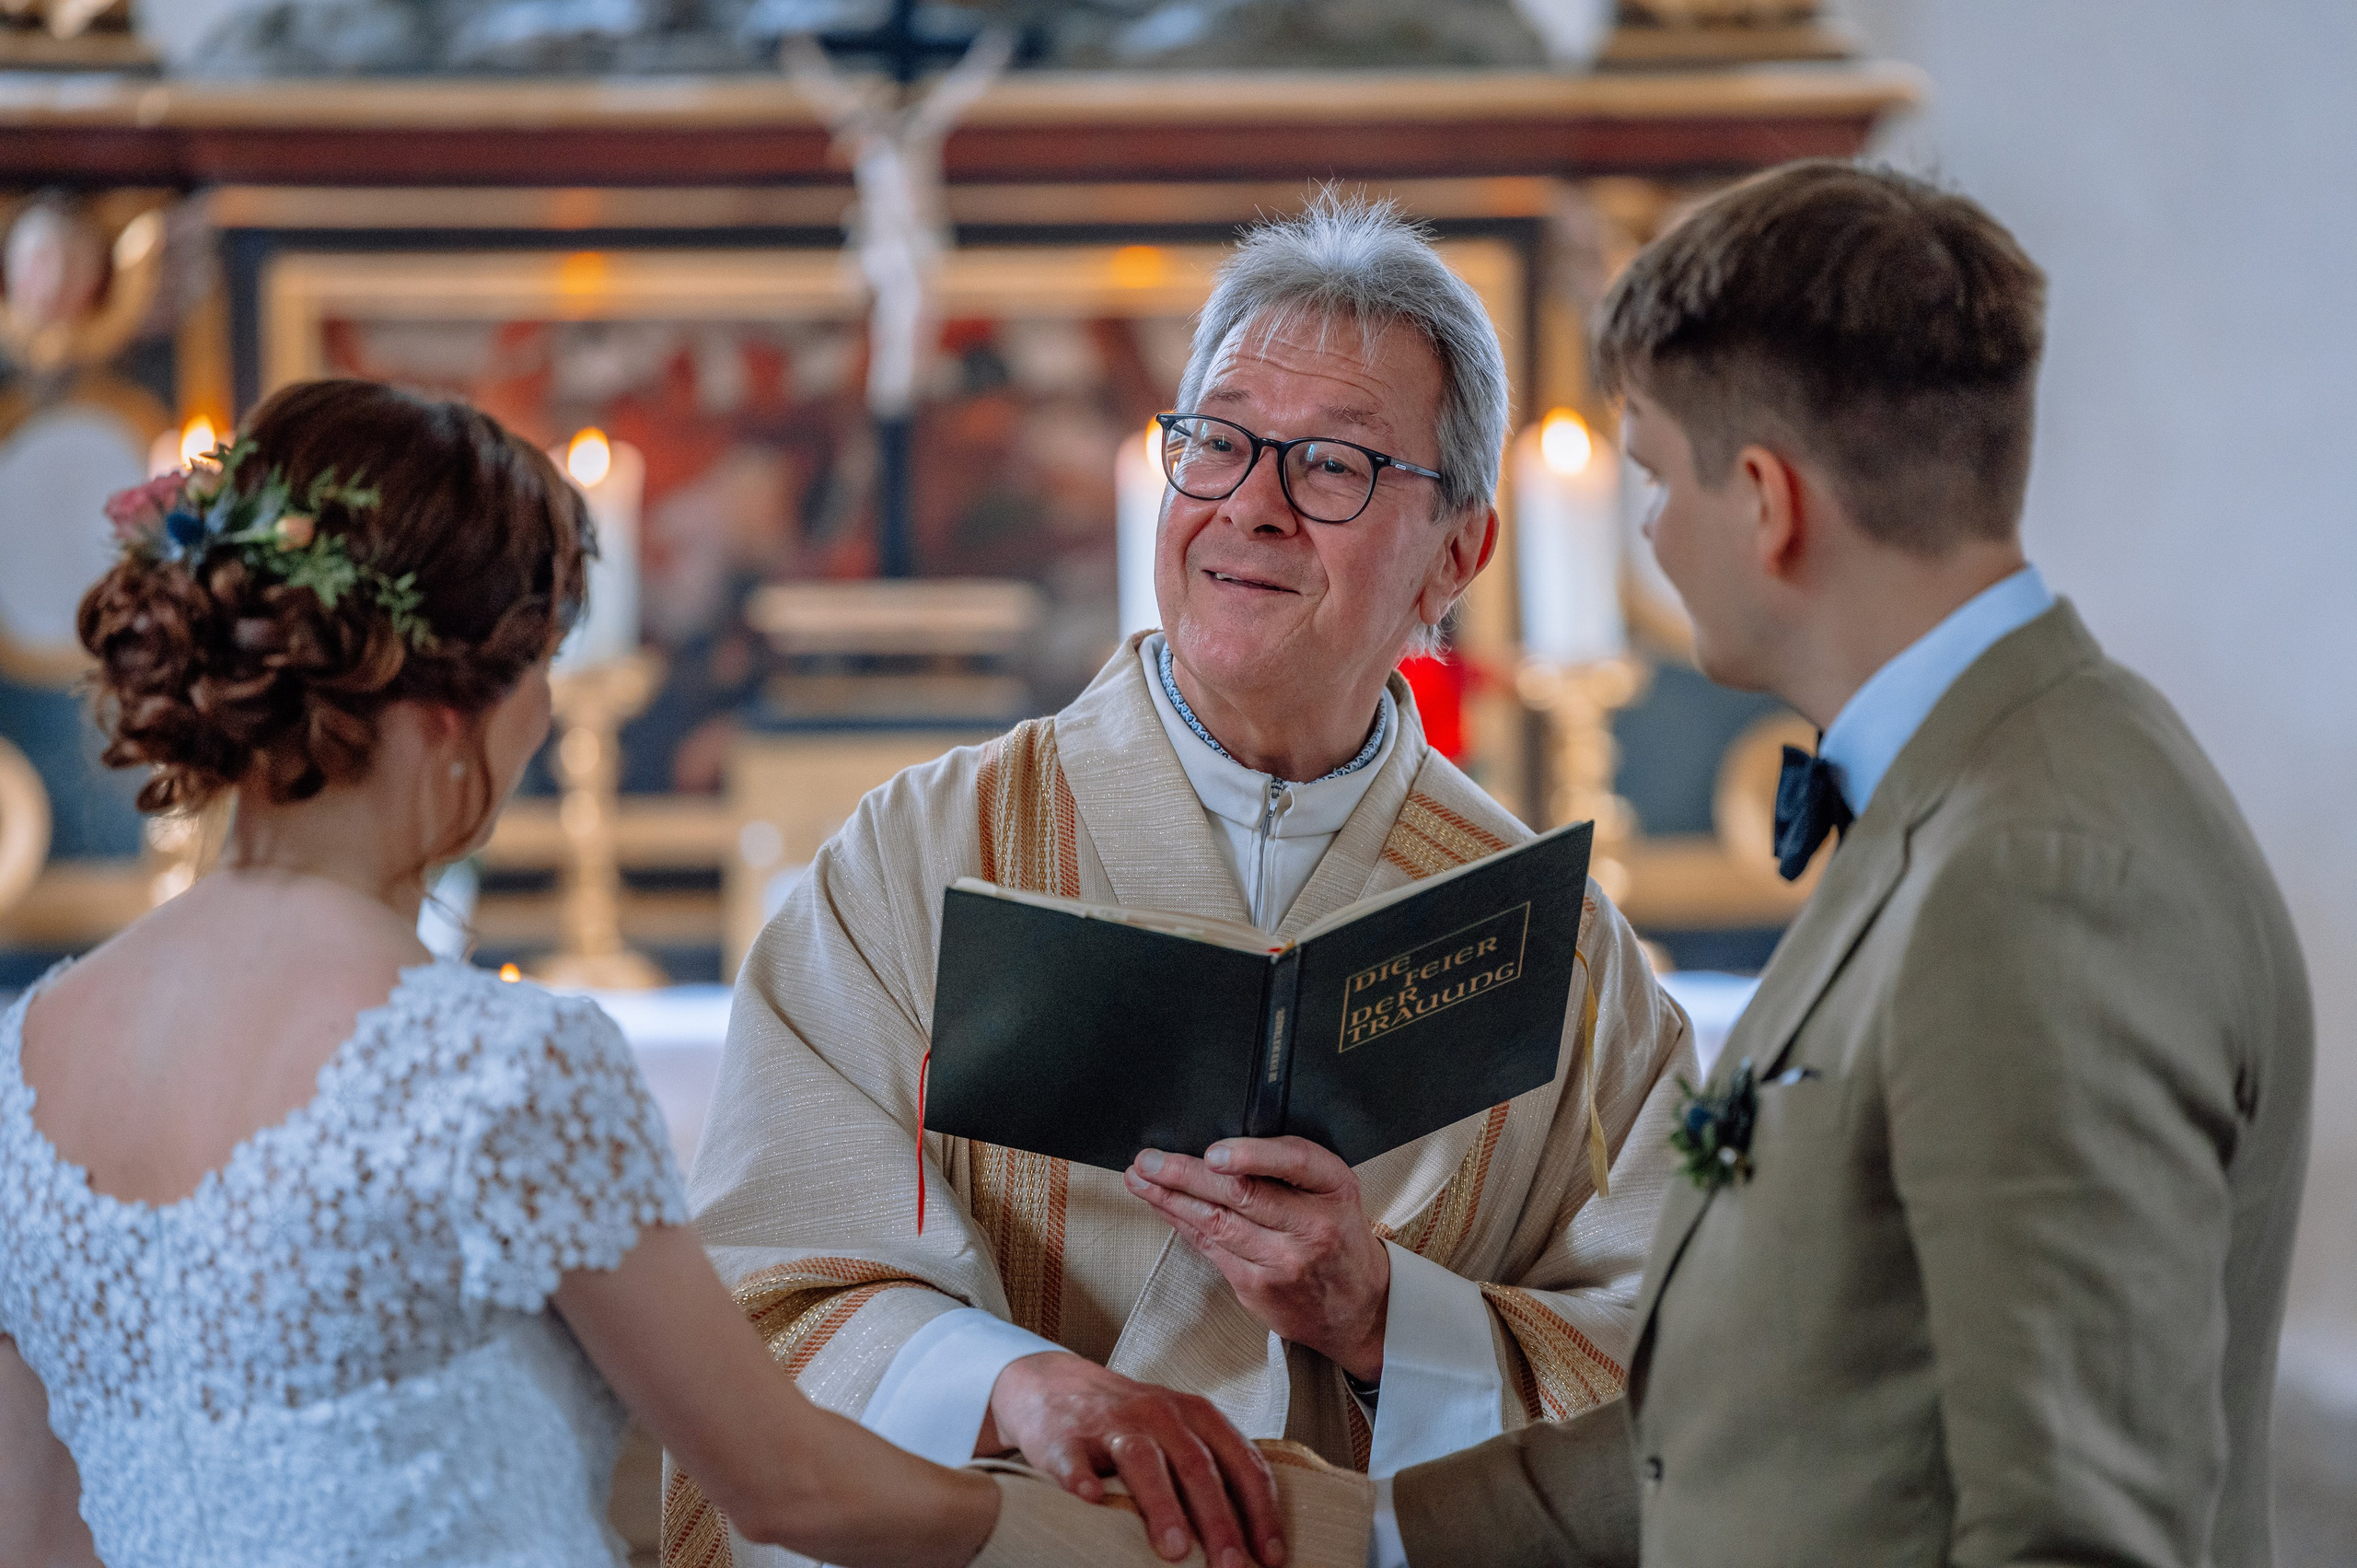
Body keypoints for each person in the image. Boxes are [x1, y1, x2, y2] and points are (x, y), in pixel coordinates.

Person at [0, 378, 1368, 1568]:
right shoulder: (498, 1068)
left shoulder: (28, 1058)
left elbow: (34, 1528)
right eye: (542, 663)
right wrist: (1106, 1546)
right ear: (455, 707)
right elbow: (789, 1485)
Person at [674, 192, 1694, 1568]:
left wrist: (1385, 1318)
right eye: (1217, 442)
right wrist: (1016, 1387)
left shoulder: (1561, 953)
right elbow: (770, 1285)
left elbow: (1681, 1379)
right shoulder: (918, 855)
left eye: (1331, 465)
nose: (1251, 507)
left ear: (1457, 554)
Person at [1383, 162, 2315, 1566]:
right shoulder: (1980, 779)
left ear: (1767, 501)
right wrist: (1352, 1533)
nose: (1651, 530)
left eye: (1656, 476)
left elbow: (2075, 1537)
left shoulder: (2040, 874)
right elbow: (1794, 1425)